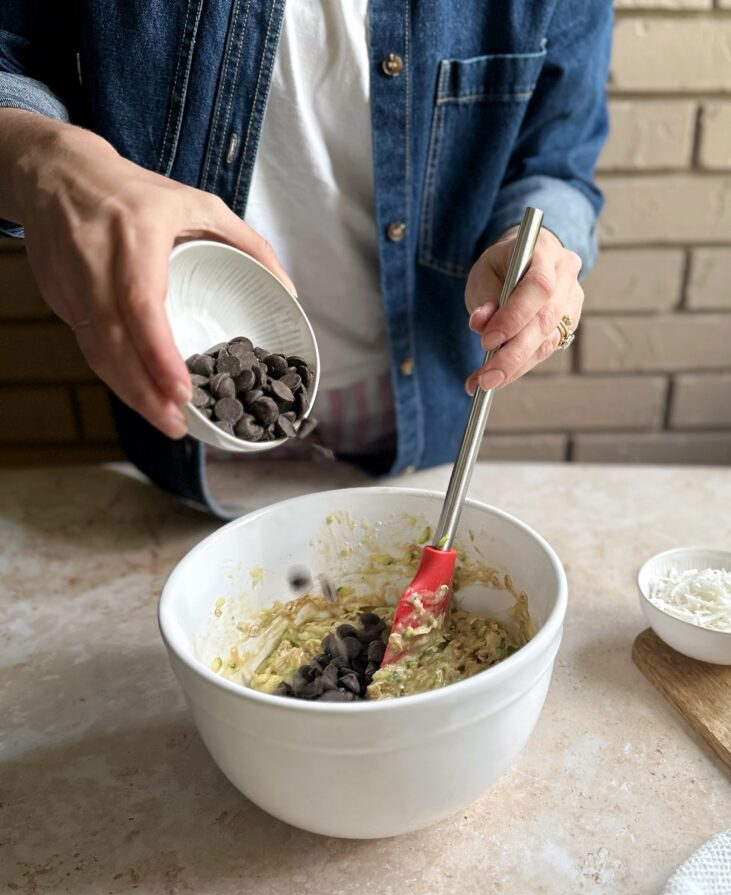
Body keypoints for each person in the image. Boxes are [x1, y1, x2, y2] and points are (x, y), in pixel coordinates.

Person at [0, 2, 610, 516]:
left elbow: (556, 159)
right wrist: (48, 161)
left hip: (415, 425)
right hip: (184, 418)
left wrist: (536, 243)